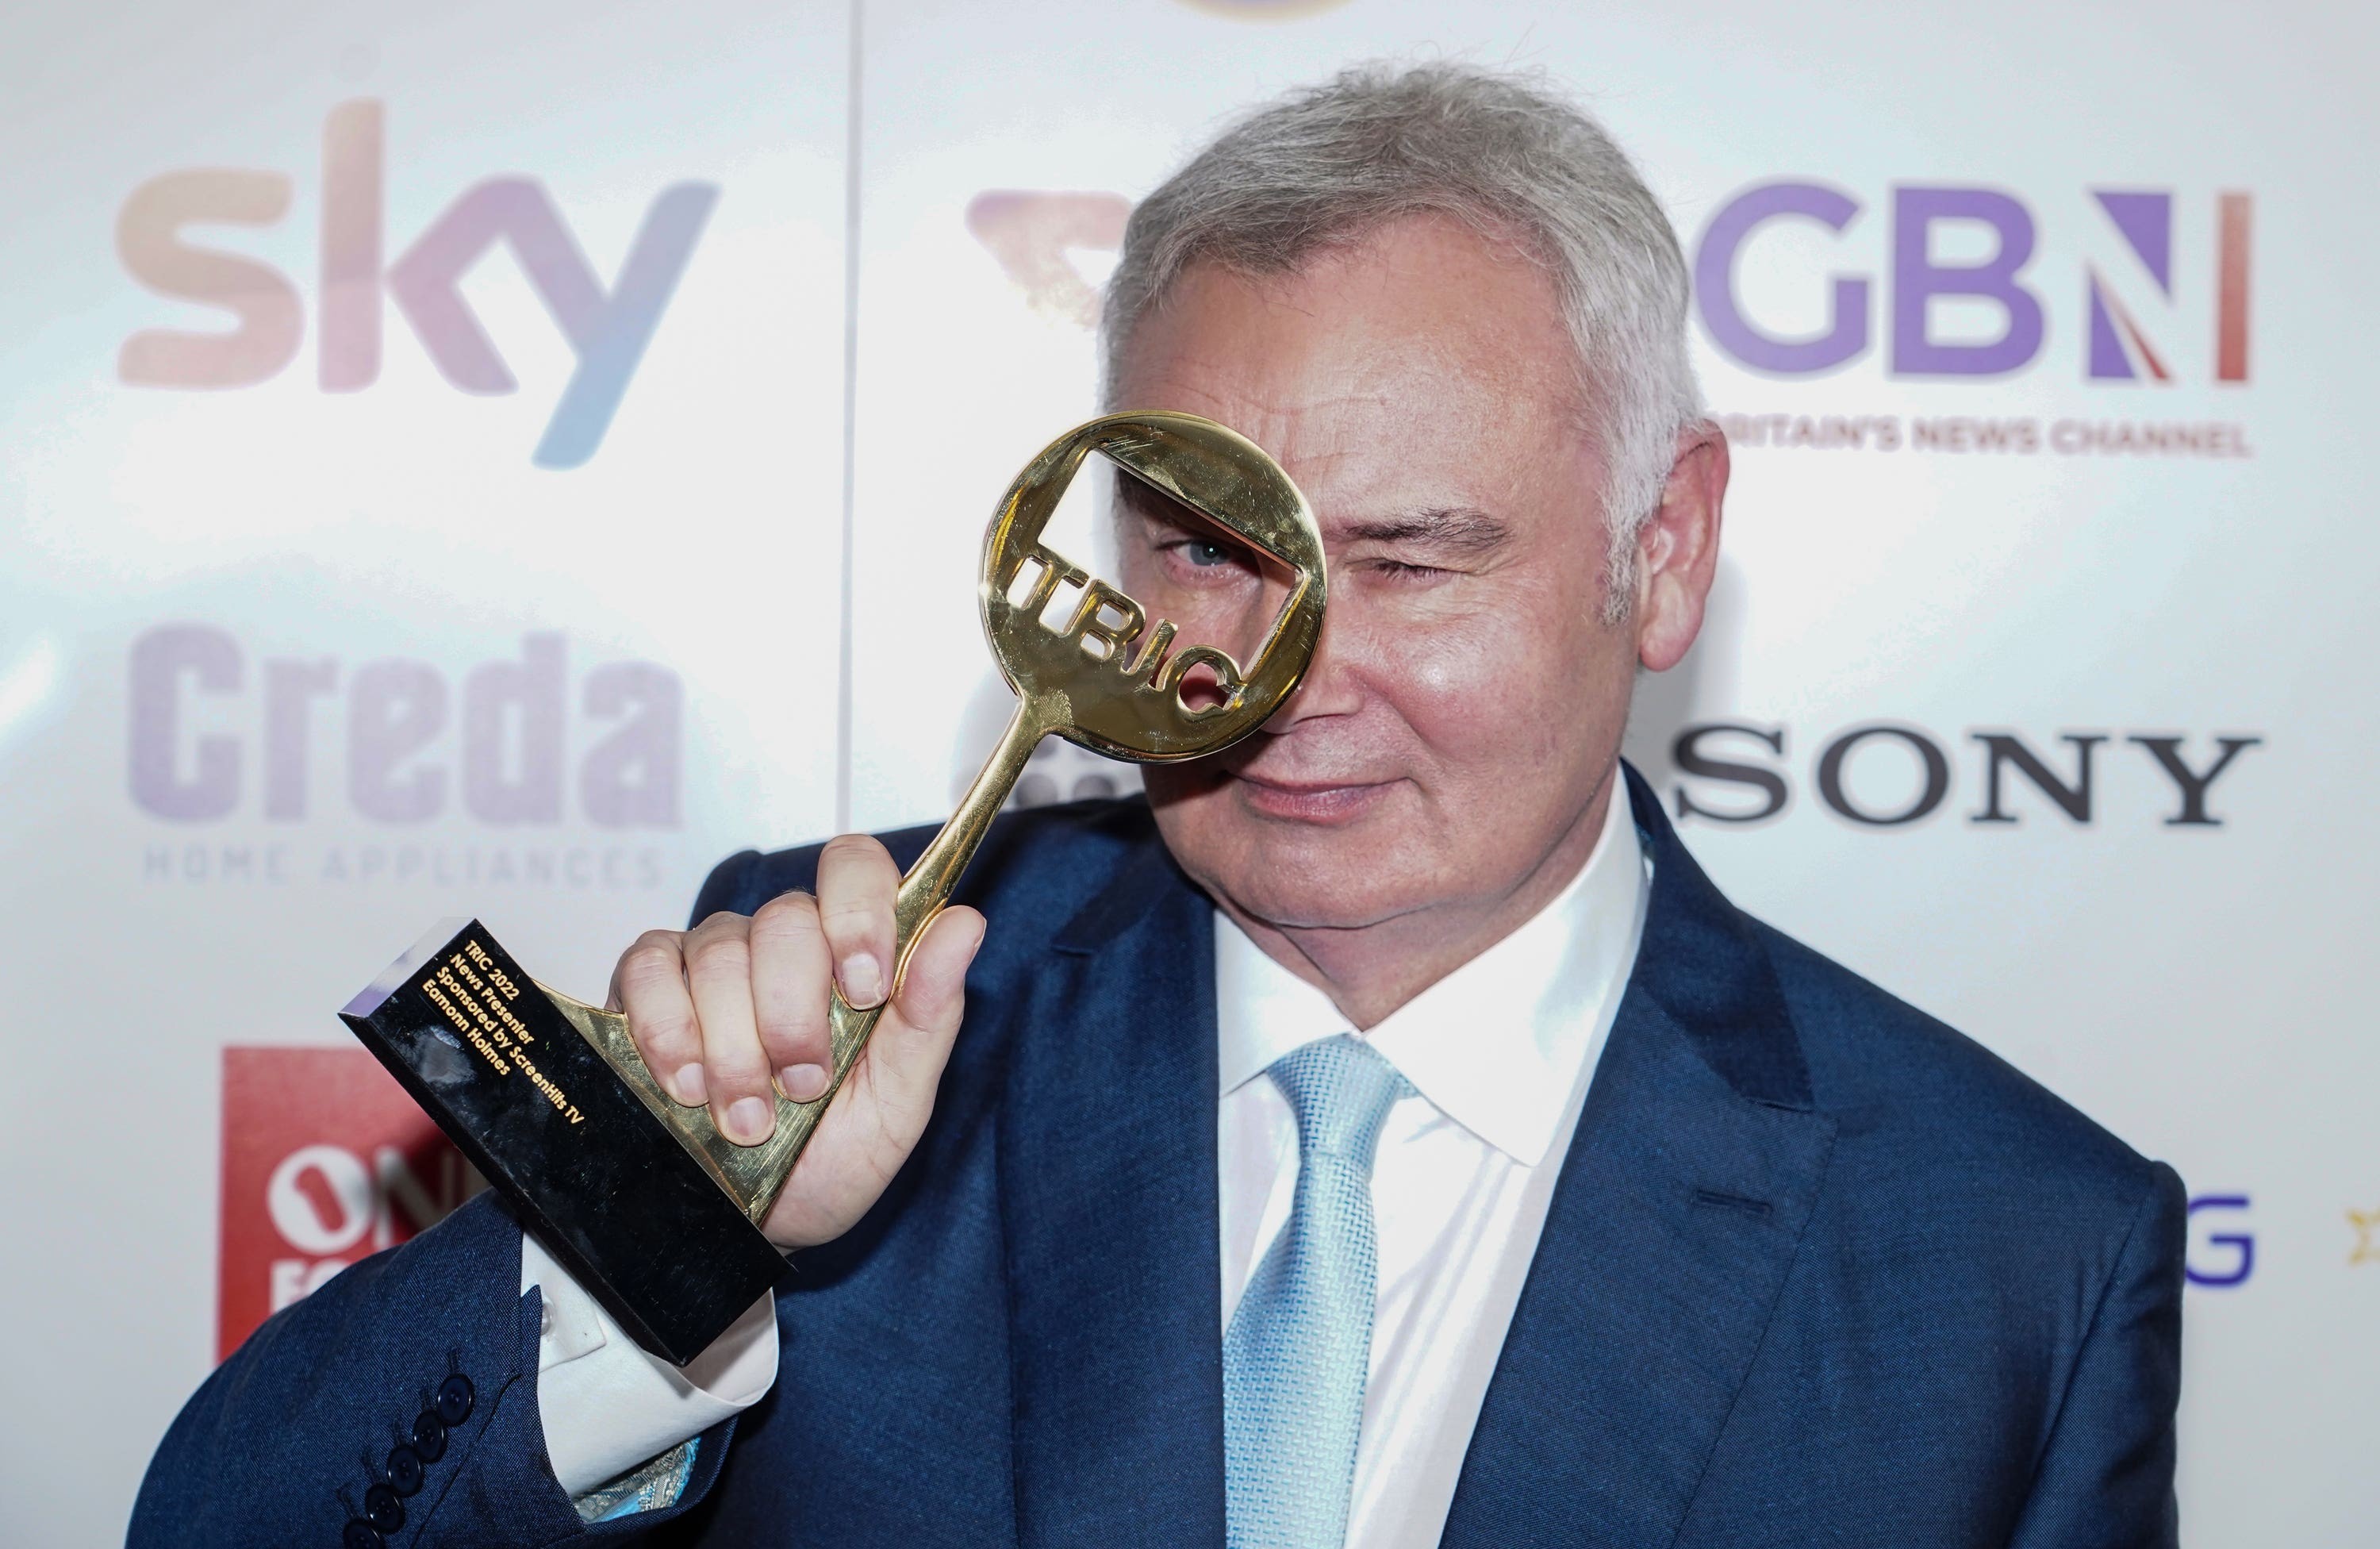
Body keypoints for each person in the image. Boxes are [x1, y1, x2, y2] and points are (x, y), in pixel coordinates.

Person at [132, 63, 2183, 1549]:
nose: (1275, 675)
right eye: (1203, 551)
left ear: (1661, 549)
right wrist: (652, 1253)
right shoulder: (832, 1007)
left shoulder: (2005, 1252)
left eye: (1406, 558)